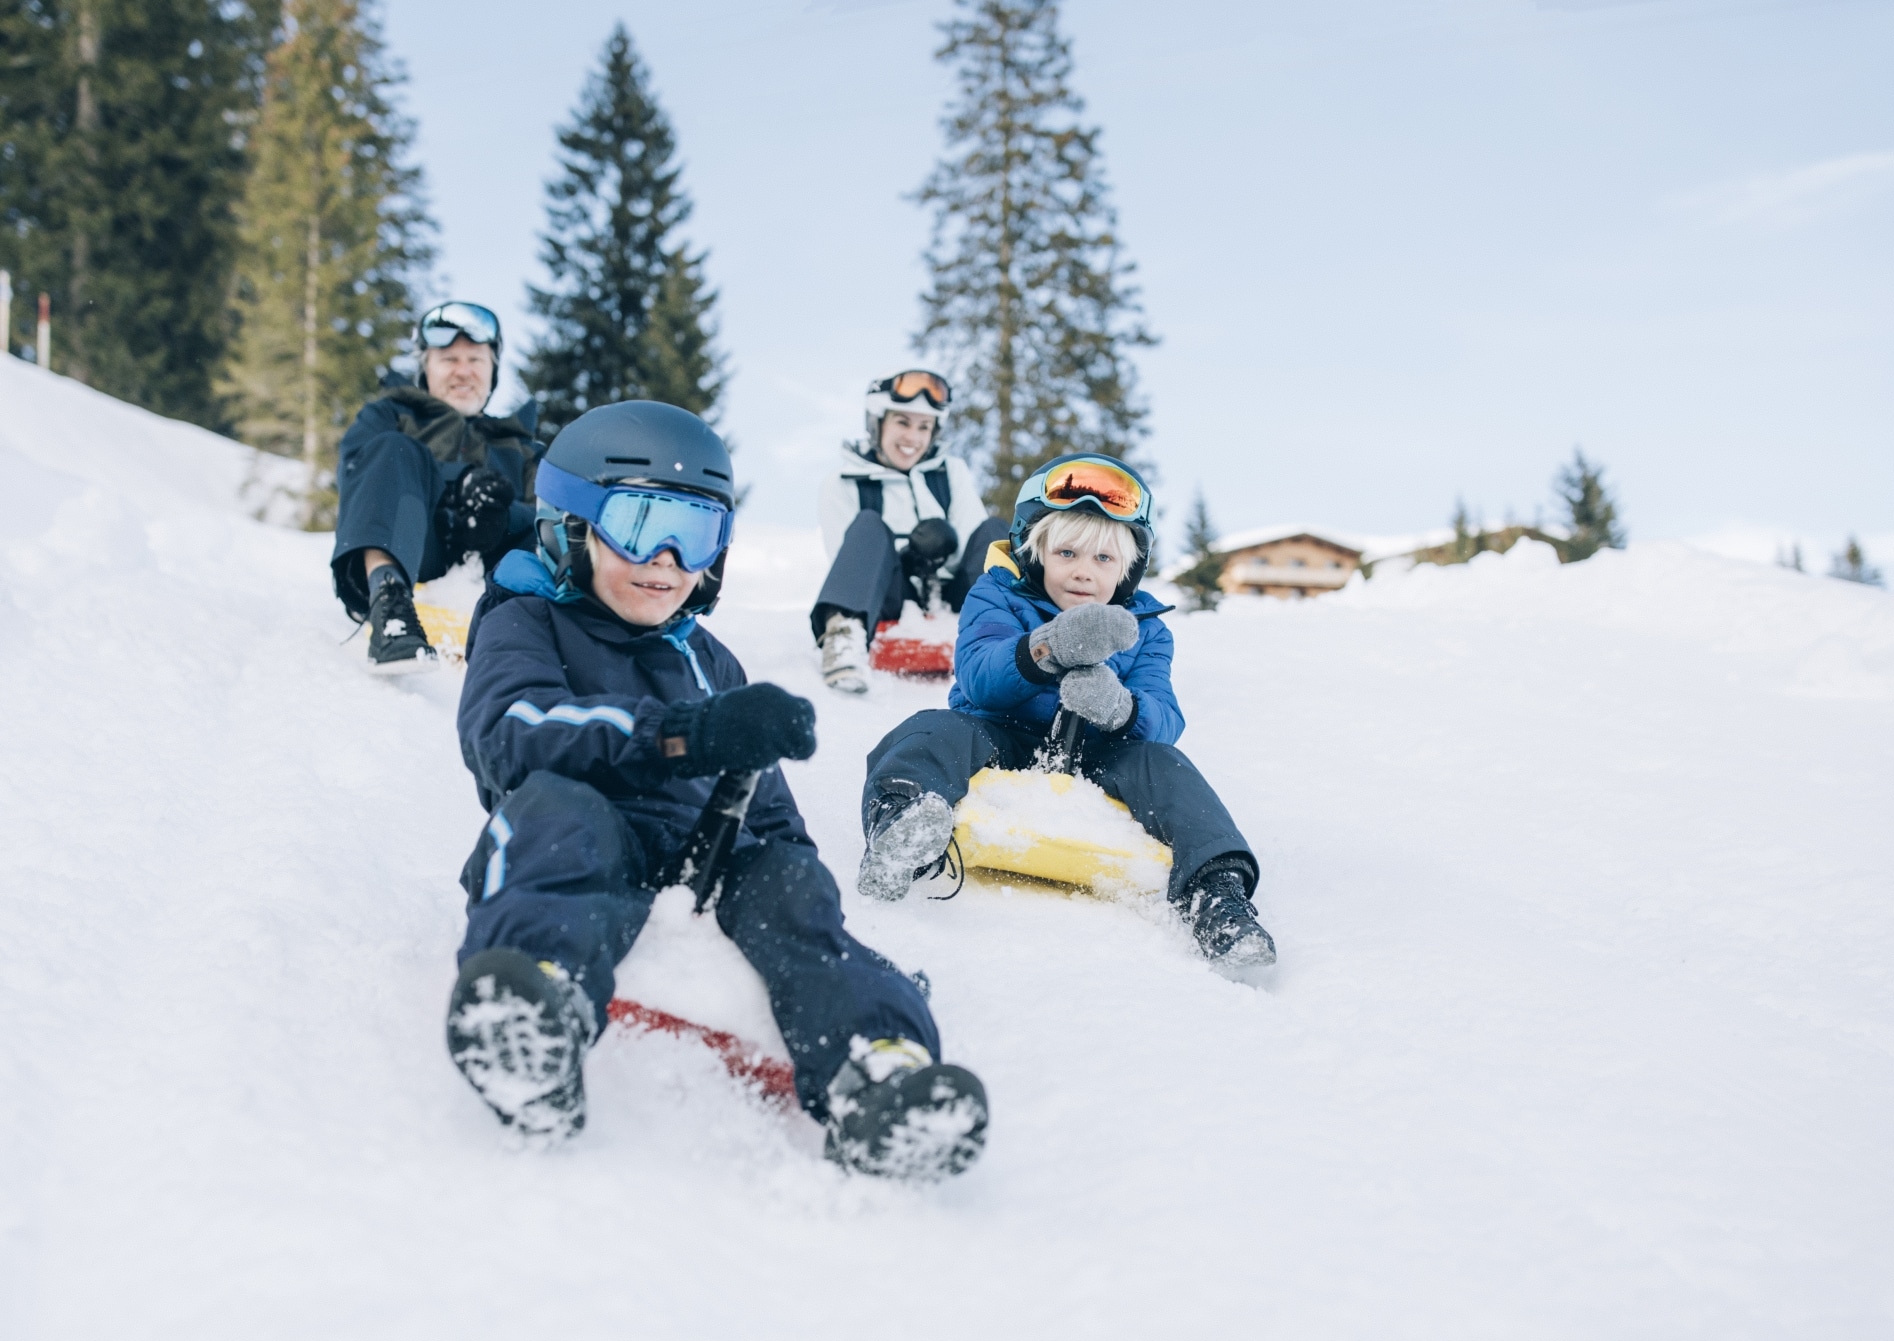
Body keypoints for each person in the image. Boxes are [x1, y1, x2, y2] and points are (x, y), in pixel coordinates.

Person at [446, 399, 989, 1178]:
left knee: (795, 886)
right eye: (637, 524)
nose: (665, 558)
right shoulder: (525, 621)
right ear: (570, 522)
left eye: (693, 534)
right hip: (578, 833)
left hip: (709, 855)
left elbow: (772, 818)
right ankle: (533, 1014)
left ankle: (879, 1070)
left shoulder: (712, 656)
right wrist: (681, 735)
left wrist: (777, 835)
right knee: (560, 816)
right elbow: (510, 731)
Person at [854, 454, 1278, 974]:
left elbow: (1165, 715)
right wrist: (1044, 649)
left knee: (1166, 767)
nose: (1083, 571)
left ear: (1128, 570)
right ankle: (899, 824)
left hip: (1100, 753)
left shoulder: (1147, 629)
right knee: (929, 731)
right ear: (1036, 553)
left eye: (1104, 559)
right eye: (1068, 552)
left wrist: (1121, 711)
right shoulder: (998, 594)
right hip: (1000, 733)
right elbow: (978, 673)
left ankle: (1219, 896)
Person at [332, 301, 542, 671]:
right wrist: (458, 486)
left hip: (494, 574)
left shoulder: (521, 447)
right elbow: (358, 473)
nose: (463, 372)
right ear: (426, 367)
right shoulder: (391, 415)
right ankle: (391, 610)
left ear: (493, 369)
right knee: (391, 450)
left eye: (475, 359)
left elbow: (545, 521)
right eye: (449, 360)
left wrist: (500, 514)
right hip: (415, 549)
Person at [811, 370, 1006, 695]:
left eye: (924, 427)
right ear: (878, 423)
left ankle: (1010, 636)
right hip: (890, 595)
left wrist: (934, 549)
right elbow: (847, 559)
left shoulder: (949, 473)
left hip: (956, 596)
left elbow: (973, 542)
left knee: (994, 531)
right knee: (869, 524)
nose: (913, 438)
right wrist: (909, 558)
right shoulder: (843, 483)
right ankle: (844, 633)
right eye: (903, 422)